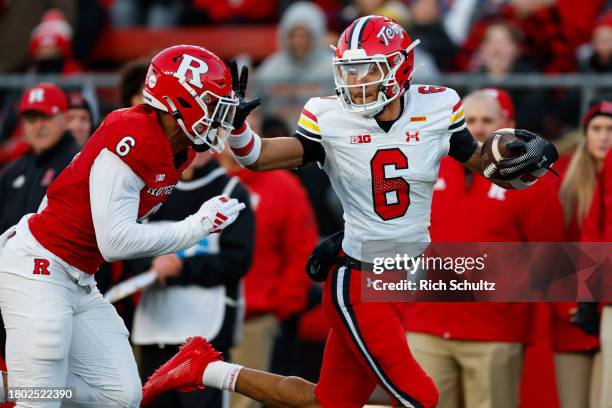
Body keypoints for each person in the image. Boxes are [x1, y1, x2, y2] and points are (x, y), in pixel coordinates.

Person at [142, 16, 558, 408]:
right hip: (359, 280)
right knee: (422, 397)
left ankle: (203, 367)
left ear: (401, 67)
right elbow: (260, 157)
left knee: (327, 401)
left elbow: (484, 167)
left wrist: (526, 168)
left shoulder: (438, 106)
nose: (355, 81)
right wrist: (236, 129)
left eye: (367, 69)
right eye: (349, 69)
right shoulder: (330, 117)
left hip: (400, 276)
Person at [0, 45, 246, 407]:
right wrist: (197, 226)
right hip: (41, 266)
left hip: (79, 276)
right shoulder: (132, 133)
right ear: (181, 101)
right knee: (41, 397)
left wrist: (239, 129)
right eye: (212, 104)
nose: (219, 116)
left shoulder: (181, 146)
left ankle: (13, 386)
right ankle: (27, 386)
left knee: (120, 395)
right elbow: (115, 240)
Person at [406, 88, 564, 408]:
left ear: (509, 123)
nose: (477, 128)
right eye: (470, 120)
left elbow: (548, 251)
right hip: (426, 326)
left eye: (487, 120)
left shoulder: (532, 182)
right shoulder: (427, 166)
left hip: (495, 331)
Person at [132, 152, 255, 408]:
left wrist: (181, 267)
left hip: (206, 333)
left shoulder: (231, 190)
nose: (197, 147)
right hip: (155, 329)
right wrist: (149, 263)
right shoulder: (151, 189)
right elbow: (122, 246)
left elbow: (237, 259)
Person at [217, 133, 318, 408]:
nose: (228, 138)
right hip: (198, 314)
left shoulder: (282, 186)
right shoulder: (200, 177)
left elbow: (301, 249)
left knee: (244, 401)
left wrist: (282, 307)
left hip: (254, 319)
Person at [0, 83, 80, 235]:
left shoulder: (77, 163)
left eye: (45, 116)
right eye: (31, 119)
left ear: (65, 118)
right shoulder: (13, 171)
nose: (38, 125)